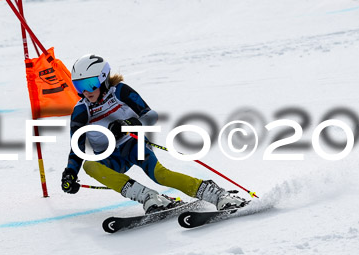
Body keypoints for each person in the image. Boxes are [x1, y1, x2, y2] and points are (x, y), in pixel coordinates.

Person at [60, 54, 247, 214]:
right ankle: (150, 197)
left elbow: (150, 116)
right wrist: (70, 173)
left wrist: (128, 125)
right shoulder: (81, 110)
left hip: (133, 144)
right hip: (111, 156)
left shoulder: (120, 91)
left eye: (90, 84)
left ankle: (216, 194)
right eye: (79, 86)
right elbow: (77, 145)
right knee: (90, 166)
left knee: (160, 175)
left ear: (103, 78)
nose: (85, 91)